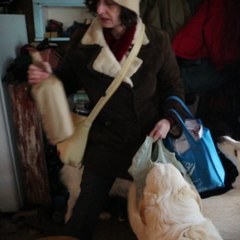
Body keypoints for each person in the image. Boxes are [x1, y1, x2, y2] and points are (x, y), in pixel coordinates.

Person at [27, 0, 184, 239]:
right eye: (97, 2)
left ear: (129, 7)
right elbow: (63, 83)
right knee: (82, 216)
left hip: (146, 142)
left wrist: (168, 120)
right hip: (105, 143)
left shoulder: (157, 40)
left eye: (110, 3)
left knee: (150, 217)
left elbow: (173, 89)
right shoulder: (83, 41)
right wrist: (47, 80)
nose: (100, 10)